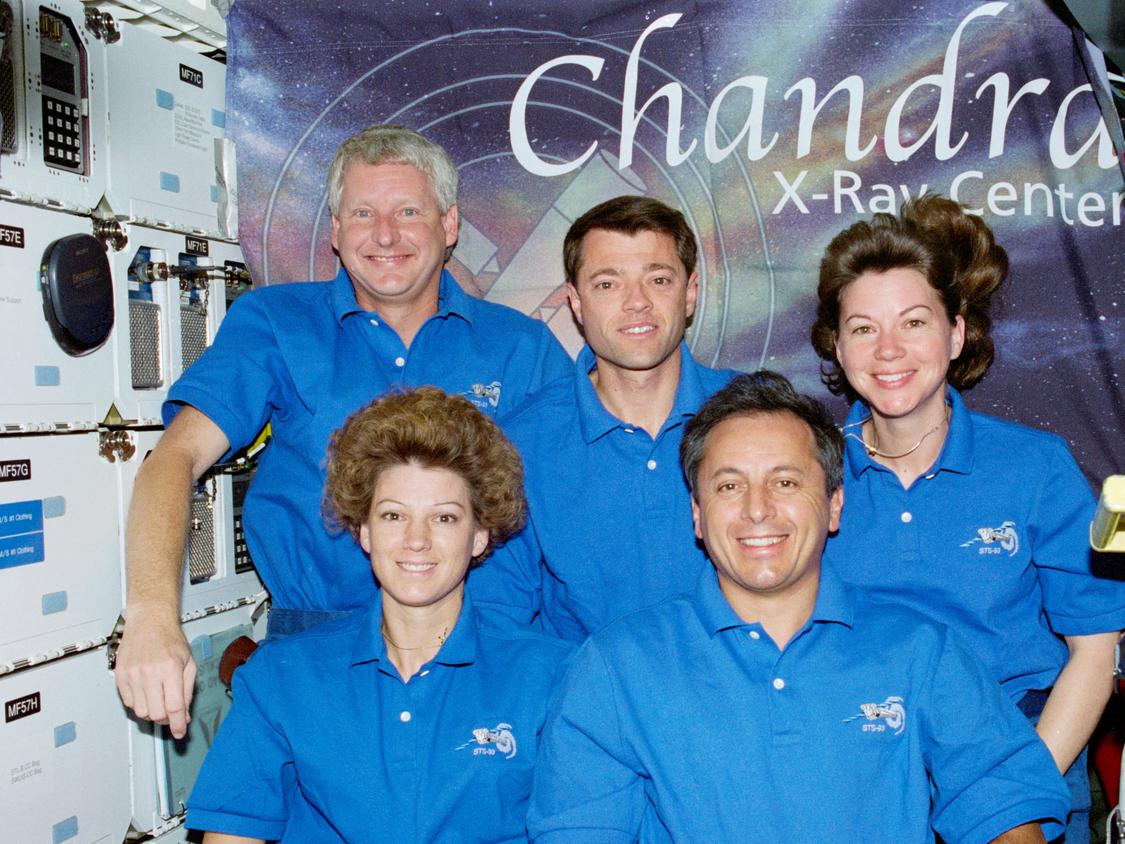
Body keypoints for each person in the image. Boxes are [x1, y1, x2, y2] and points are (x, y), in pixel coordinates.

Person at [115, 124, 572, 739]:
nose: (385, 235)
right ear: (335, 232)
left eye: (408, 211)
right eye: (362, 213)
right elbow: (174, 460)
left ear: (450, 225)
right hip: (317, 658)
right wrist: (149, 616)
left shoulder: (521, 347)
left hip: (487, 660)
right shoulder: (275, 324)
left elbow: (573, 506)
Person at [528, 372, 1069, 843]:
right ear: (696, 513)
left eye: (785, 482)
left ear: (835, 503)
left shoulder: (920, 650)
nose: (757, 510)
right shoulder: (614, 669)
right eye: (729, 485)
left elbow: (1003, 800)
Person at [809, 195, 1125, 842]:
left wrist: (1008, 798)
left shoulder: (1034, 468)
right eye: (864, 328)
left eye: (914, 322)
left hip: (1022, 770)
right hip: (858, 789)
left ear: (956, 334)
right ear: (837, 347)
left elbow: (1095, 655)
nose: (889, 349)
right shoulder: (807, 478)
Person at [186, 387, 572, 843]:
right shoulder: (283, 676)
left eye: (444, 518)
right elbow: (232, 835)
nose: (416, 540)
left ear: (480, 535)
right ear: (364, 531)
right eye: (393, 516)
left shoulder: (552, 675)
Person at [469, 196, 735, 640]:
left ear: (689, 293)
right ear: (575, 302)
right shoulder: (519, 445)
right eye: (608, 284)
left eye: (658, 279)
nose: (637, 303)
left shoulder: (761, 417)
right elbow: (500, 624)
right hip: (586, 705)